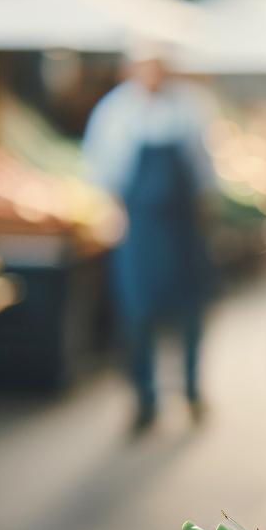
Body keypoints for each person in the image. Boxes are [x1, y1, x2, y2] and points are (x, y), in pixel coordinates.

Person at [83, 50, 217, 431]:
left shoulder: (190, 107)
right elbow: (100, 171)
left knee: (191, 313)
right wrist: (117, 215)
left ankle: (191, 391)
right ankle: (144, 399)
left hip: (182, 227)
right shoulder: (114, 112)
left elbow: (204, 167)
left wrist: (204, 214)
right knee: (138, 315)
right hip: (140, 228)